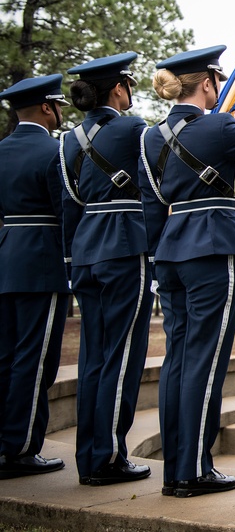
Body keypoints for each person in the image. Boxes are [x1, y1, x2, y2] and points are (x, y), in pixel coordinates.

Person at [138, 46, 235, 497]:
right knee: (207, 359)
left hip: (170, 252)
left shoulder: (149, 138)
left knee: (178, 361)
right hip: (213, 247)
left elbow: (150, 205)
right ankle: (194, 470)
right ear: (207, 83)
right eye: (217, 82)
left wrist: (154, 258)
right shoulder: (220, 126)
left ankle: (175, 470)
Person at [59, 53, 153, 486]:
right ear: (118, 89)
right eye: (128, 86)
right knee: (122, 356)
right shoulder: (134, 129)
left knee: (94, 358)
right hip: (123, 244)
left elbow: (69, 204)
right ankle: (109, 457)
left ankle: (88, 457)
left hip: (85, 250)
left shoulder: (68, 139)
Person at [0, 75, 71, 479]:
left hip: (7, 256)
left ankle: (4, 442)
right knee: (35, 358)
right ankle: (21, 447)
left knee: (5, 356)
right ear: (47, 107)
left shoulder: (1, 150)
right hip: (42, 261)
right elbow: (65, 211)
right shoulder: (54, 152)